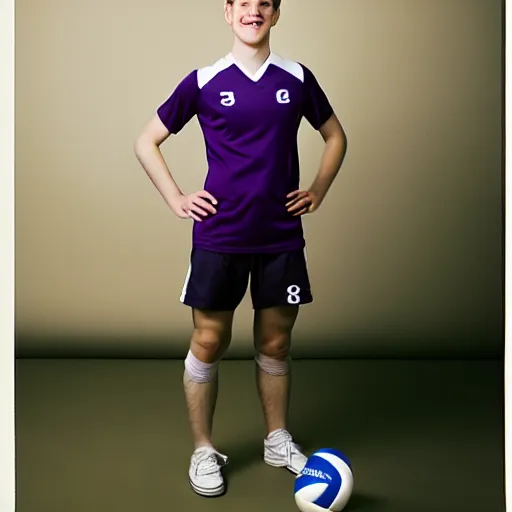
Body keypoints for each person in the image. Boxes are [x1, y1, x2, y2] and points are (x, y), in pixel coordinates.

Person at [134, 0, 347, 498]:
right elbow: (147, 141)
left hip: (279, 236)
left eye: (264, 5)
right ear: (228, 13)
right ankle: (204, 449)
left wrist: (318, 187)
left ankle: (277, 439)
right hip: (220, 236)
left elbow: (335, 136)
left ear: (276, 14)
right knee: (209, 342)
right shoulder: (204, 81)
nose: (254, 12)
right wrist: (177, 197)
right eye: (243, 4)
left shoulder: (296, 78)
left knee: (275, 343)